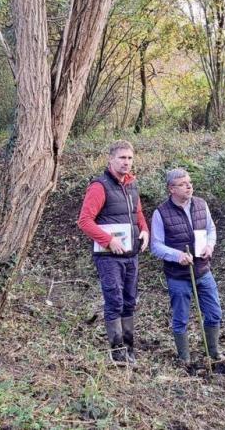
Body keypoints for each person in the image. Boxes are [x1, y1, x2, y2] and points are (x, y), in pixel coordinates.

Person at [77, 140, 149, 365]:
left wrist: (145, 230)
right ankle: (117, 351)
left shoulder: (132, 185)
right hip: (108, 257)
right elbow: (84, 221)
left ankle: (129, 348)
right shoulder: (99, 186)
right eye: (122, 158)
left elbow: (137, 213)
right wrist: (108, 241)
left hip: (131, 255)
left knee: (129, 301)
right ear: (110, 160)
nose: (126, 162)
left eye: (129, 158)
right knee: (115, 301)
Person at [150, 168, 223, 365]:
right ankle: (185, 358)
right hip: (178, 275)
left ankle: (213, 352)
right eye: (183, 184)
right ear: (171, 189)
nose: (189, 186)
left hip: (203, 270)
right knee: (181, 318)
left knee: (214, 313)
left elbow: (211, 229)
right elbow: (155, 245)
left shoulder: (201, 204)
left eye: (189, 182)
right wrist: (177, 255)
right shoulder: (160, 213)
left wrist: (210, 245)